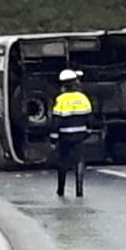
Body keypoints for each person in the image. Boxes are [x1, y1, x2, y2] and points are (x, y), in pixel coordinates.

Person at [51, 69, 93, 198]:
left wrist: (53, 138)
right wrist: (88, 131)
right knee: (79, 160)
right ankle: (79, 189)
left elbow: (56, 120)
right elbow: (89, 117)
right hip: (80, 135)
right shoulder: (83, 98)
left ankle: (61, 189)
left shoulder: (61, 99)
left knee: (62, 161)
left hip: (65, 136)